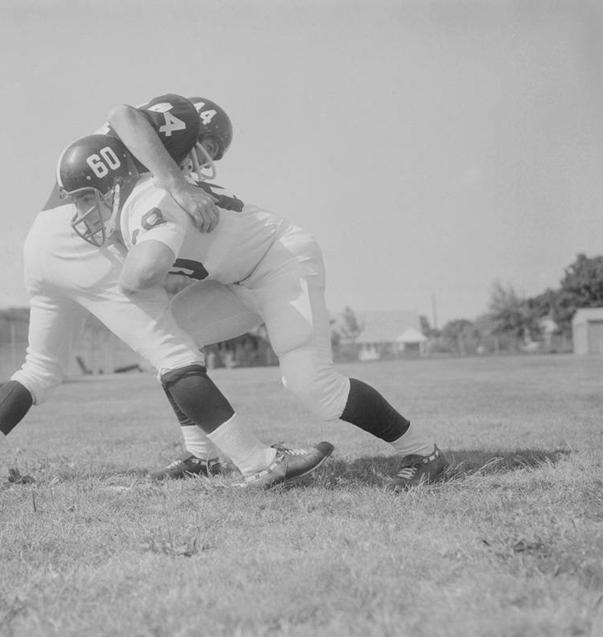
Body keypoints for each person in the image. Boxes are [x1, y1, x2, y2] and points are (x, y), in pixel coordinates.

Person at [0, 97, 333, 493]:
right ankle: (259, 462)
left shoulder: (127, 145)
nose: (202, 161)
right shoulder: (150, 128)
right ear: (186, 128)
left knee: (39, 369)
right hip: (87, 245)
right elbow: (123, 114)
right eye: (206, 148)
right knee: (177, 352)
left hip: (41, 246)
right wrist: (176, 185)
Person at [57, 116, 448, 492]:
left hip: (280, 263)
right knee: (167, 344)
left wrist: (120, 286)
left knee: (311, 385)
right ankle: (201, 456)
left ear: (111, 186)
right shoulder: (135, 203)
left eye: (85, 199)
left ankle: (422, 451)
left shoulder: (146, 200)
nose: (81, 212)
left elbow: (145, 271)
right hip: (237, 278)